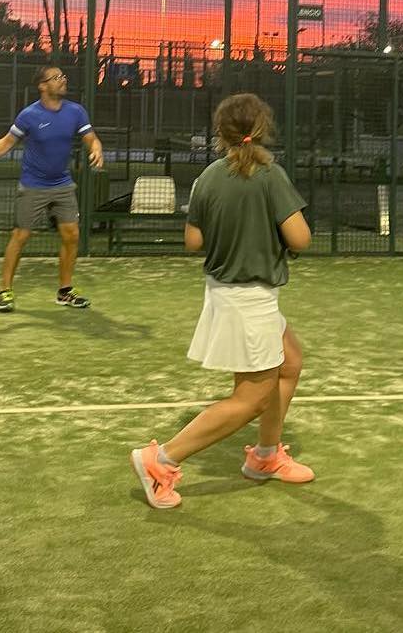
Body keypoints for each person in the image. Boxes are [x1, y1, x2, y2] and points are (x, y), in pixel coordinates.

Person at [129, 93, 313, 510]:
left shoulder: (207, 178)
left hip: (227, 294)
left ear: (220, 134)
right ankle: (158, 460)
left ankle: (266, 456)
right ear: (263, 130)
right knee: (249, 399)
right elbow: (300, 238)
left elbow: (193, 241)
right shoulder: (270, 174)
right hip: (249, 299)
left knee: (291, 362)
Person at [0, 65, 104, 313]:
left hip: (62, 184)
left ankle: (65, 292)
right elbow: (8, 140)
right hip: (33, 184)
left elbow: (91, 138)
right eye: (56, 78)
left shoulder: (76, 112)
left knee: (72, 235)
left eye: (63, 76)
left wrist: (96, 148)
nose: (62, 80)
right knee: (21, 236)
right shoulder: (29, 115)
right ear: (42, 86)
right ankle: (5, 292)